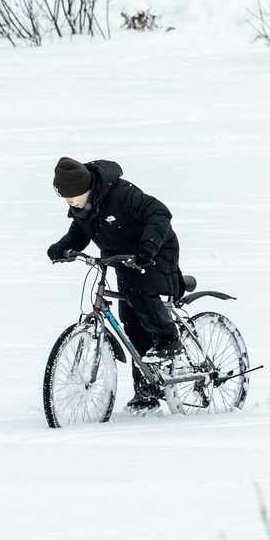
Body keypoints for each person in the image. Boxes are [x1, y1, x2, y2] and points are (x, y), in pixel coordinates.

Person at [44, 156, 184, 412]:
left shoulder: (121, 194)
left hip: (155, 251)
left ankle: (169, 339)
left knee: (138, 293)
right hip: (123, 259)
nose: (68, 202)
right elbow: (79, 234)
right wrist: (63, 249)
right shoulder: (85, 207)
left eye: (71, 196)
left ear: (85, 188)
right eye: (64, 198)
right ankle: (146, 394)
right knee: (133, 325)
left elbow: (160, 213)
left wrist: (146, 250)